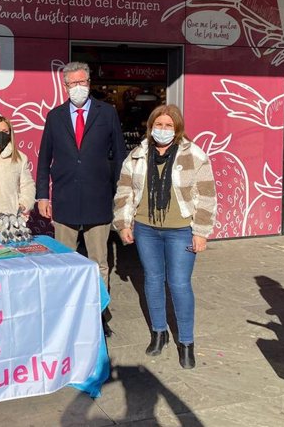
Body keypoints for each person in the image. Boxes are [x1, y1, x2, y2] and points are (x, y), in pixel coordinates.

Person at [113, 104, 216, 369]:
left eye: (168, 125)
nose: (163, 130)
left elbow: (206, 195)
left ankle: (186, 342)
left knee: (180, 284)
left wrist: (201, 232)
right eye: (158, 125)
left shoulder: (194, 154)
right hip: (146, 228)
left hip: (181, 230)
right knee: (153, 280)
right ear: (150, 127)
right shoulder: (136, 156)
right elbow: (124, 190)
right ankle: (159, 333)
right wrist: (124, 223)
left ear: (177, 128)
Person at [36, 61, 126, 290]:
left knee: (98, 262)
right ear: (65, 86)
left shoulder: (107, 113)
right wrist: (43, 196)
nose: (78, 86)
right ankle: (66, 313)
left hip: (99, 198)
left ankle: (99, 314)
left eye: (81, 81)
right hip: (65, 199)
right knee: (63, 261)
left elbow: (119, 157)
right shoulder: (55, 116)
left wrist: (121, 195)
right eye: (72, 83)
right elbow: (44, 158)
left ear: (89, 82)